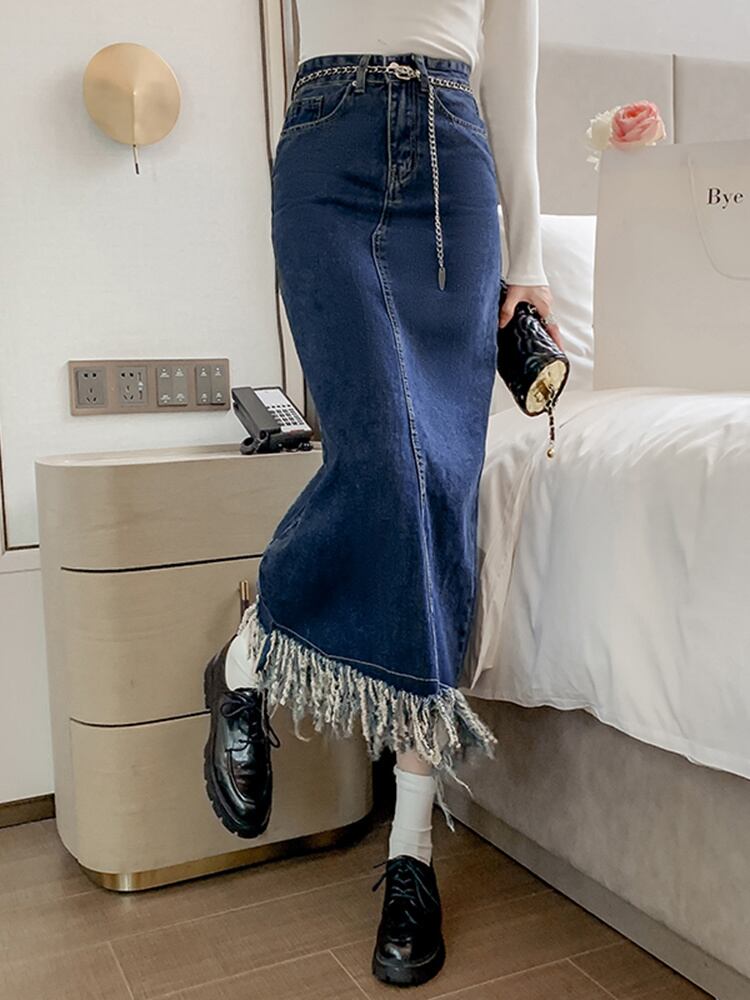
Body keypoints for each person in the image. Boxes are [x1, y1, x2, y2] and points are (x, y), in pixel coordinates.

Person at [203, 0, 561, 988]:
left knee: (439, 488)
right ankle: (249, 654)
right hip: (328, 147)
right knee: (386, 464)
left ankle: (411, 854)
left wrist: (529, 259)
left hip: (453, 157)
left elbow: (514, 72)